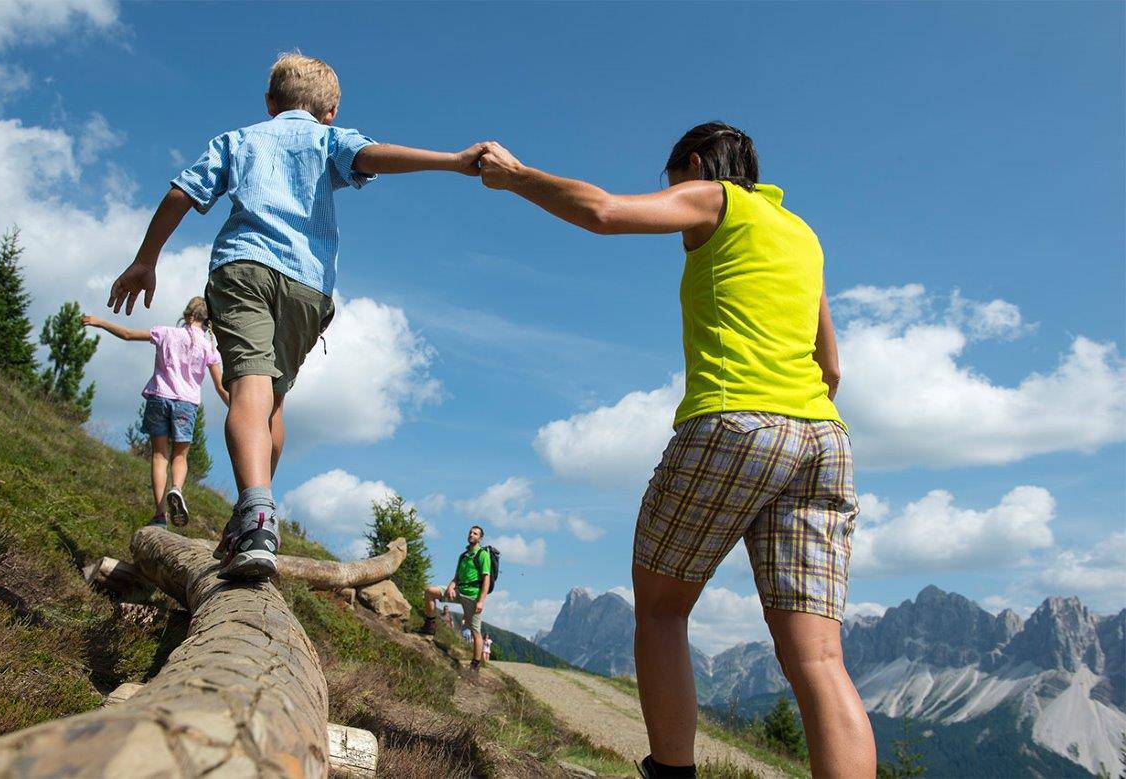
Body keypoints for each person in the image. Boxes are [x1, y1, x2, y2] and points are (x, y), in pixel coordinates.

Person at [478, 125, 875, 779]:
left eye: (672, 183)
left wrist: (516, 176)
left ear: (694, 164)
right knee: (820, 658)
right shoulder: (803, 235)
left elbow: (603, 211)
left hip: (738, 421)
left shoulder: (717, 198)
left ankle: (670, 772)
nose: (672, 198)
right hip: (824, 439)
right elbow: (830, 366)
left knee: (663, 608)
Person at [103, 52, 485, 579]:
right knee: (273, 402)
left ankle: (255, 514)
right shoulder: (330, 139)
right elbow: (374, 155)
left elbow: (181, 193)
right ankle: (256, 518)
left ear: (269, 103)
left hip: (243, 268)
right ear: (329, 112)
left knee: (248, 389)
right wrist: (454, 160)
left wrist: (147, 259)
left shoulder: (238, 140)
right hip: (308, 286)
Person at [83, 297, 229, 527]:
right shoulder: (209, 347)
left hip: (159, 398)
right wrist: (240, 411)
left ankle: (160, 515)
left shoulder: (166, 333)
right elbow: (220, 387)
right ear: (207, 320)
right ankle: (177, 489)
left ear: (186, 314)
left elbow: (128, 334)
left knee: (159, 456)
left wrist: (99, 322)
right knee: (180, 456)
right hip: (186, 404)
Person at [420, 525, 492, 671]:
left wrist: (481, 601)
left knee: (475, 631)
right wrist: (451, 587)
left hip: (473, 596)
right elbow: (456, 577)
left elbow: (487, 579)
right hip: (458, 591)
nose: (471, 534)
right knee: (429, 591)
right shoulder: (463, 556)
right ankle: (430, 625)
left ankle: (475, 664)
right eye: (470, 532)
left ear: (480, 538)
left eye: (475, 533)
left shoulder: (483, 555)